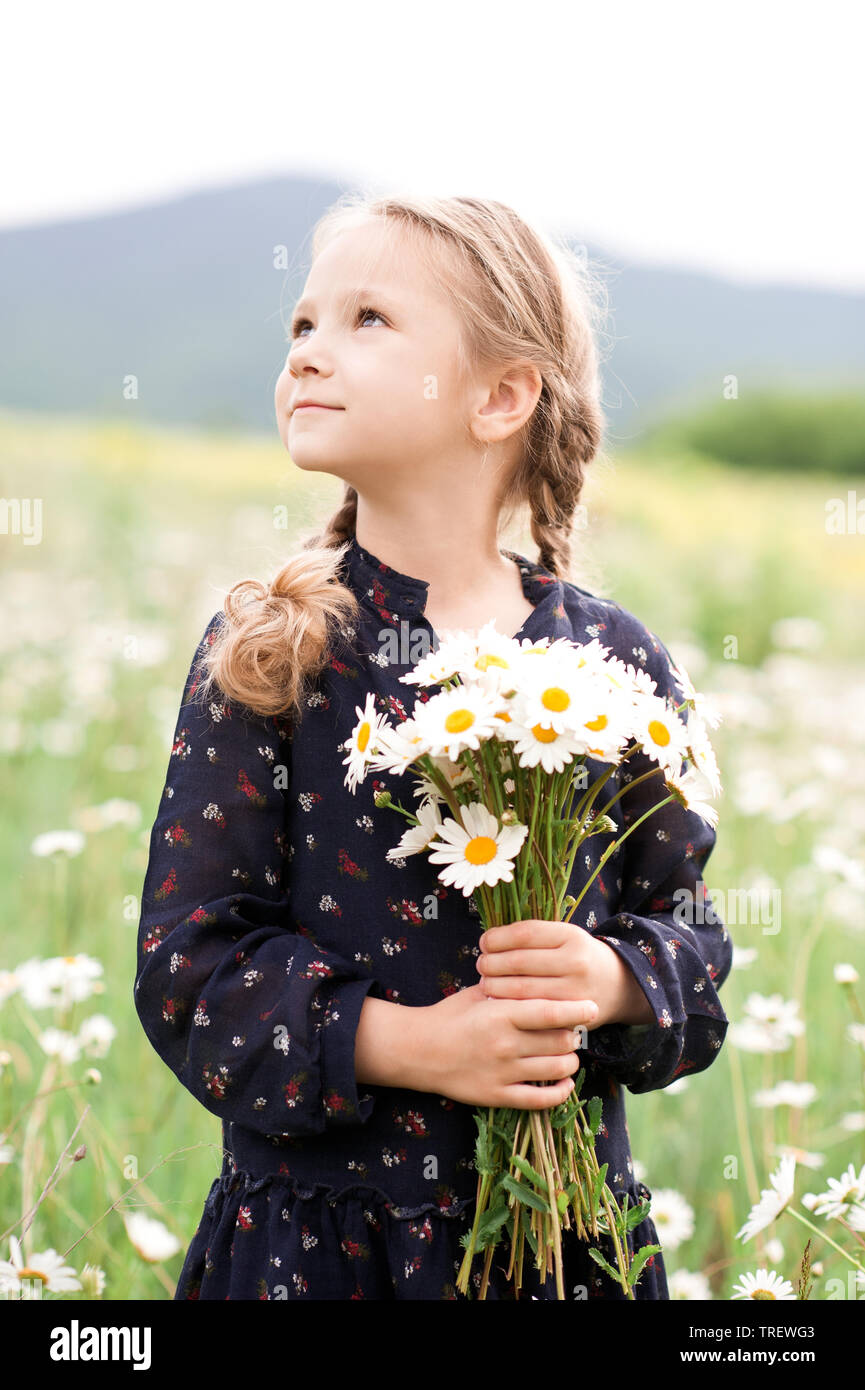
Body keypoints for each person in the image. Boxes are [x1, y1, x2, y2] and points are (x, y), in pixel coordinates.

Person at [133, 192, 732, 1301]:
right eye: (300, 325)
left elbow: (693, 937)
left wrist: (612, 977)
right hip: (318, 1251)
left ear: (501, 395)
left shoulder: (608, 663)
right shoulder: (275, 646)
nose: (309, 352)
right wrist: (411, 1044)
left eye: (366, 321)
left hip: (566, 1243)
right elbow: (187, 965)